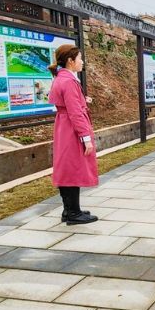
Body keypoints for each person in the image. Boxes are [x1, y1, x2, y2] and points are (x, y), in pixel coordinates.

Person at [47, 44, 98, 226]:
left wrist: (83, 100)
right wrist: (85, 138)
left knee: (68, 167)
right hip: (71, 128)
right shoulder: (69, 81)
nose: (82, 62)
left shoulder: (62, 78)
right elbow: (75, 112)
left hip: (64, 126)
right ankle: (73, 212)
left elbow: (66, 104)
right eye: (79, 59)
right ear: (70, 61)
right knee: (72, 168)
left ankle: (69, 210)